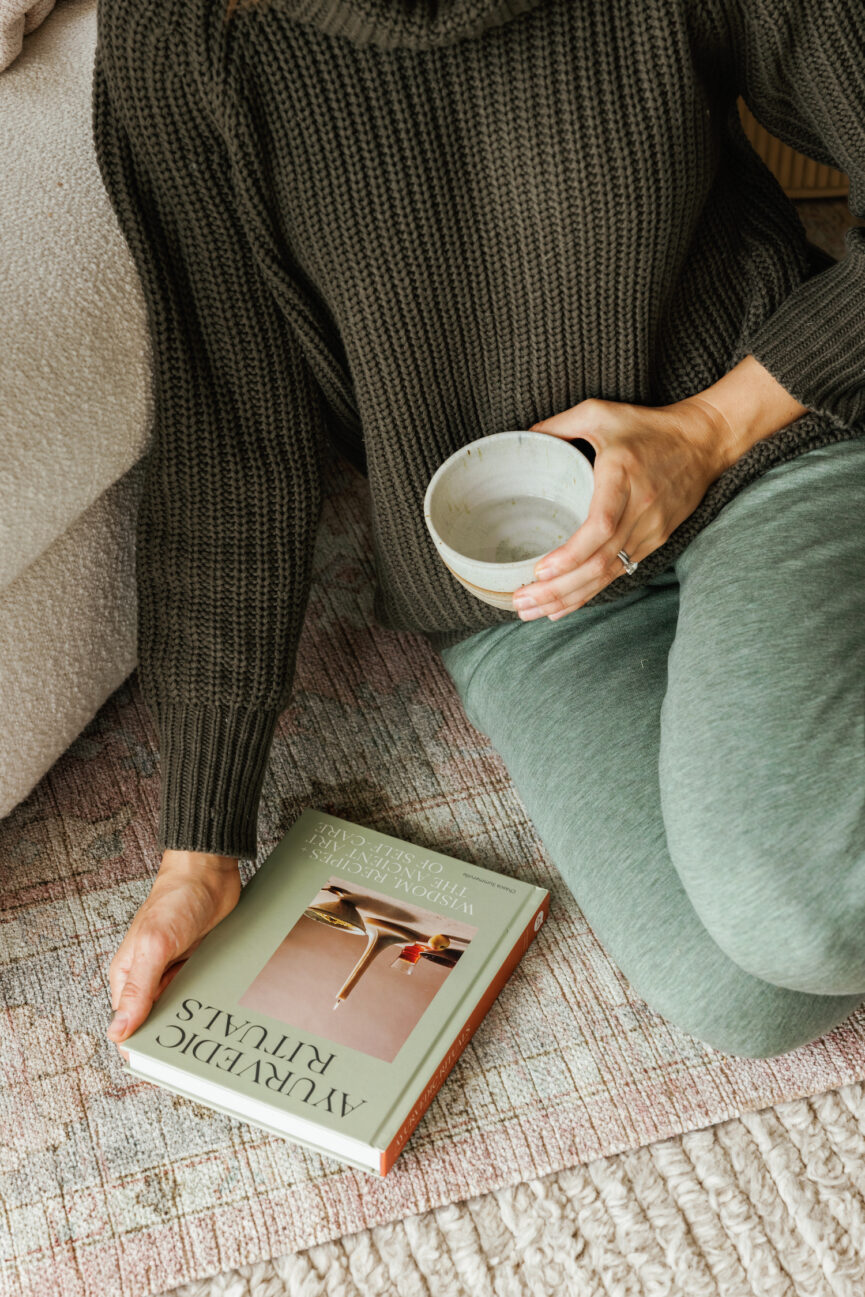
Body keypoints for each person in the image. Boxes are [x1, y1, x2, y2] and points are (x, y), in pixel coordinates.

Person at [93, 0, 865, 1060]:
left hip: (757, 448)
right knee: (745, 994)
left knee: (805, 910)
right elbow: (231, 431)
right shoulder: (179, 36)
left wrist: (705, 429)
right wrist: (198, 851)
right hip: (514, 588)